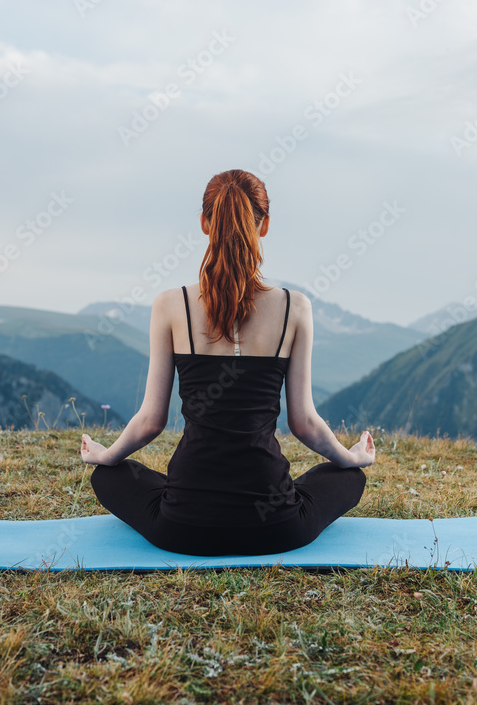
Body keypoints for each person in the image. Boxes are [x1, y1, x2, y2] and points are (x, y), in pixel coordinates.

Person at [79, 169, 374, 556]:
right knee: (347, 477)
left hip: (183, 527)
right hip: (277, 527)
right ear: (264, 225)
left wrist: (107, 455)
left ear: (205, 223)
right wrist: (351, 458)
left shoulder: (170, 306)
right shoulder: (294, 308)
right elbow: (304, 424)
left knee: (109, 476)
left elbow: (150, 423)